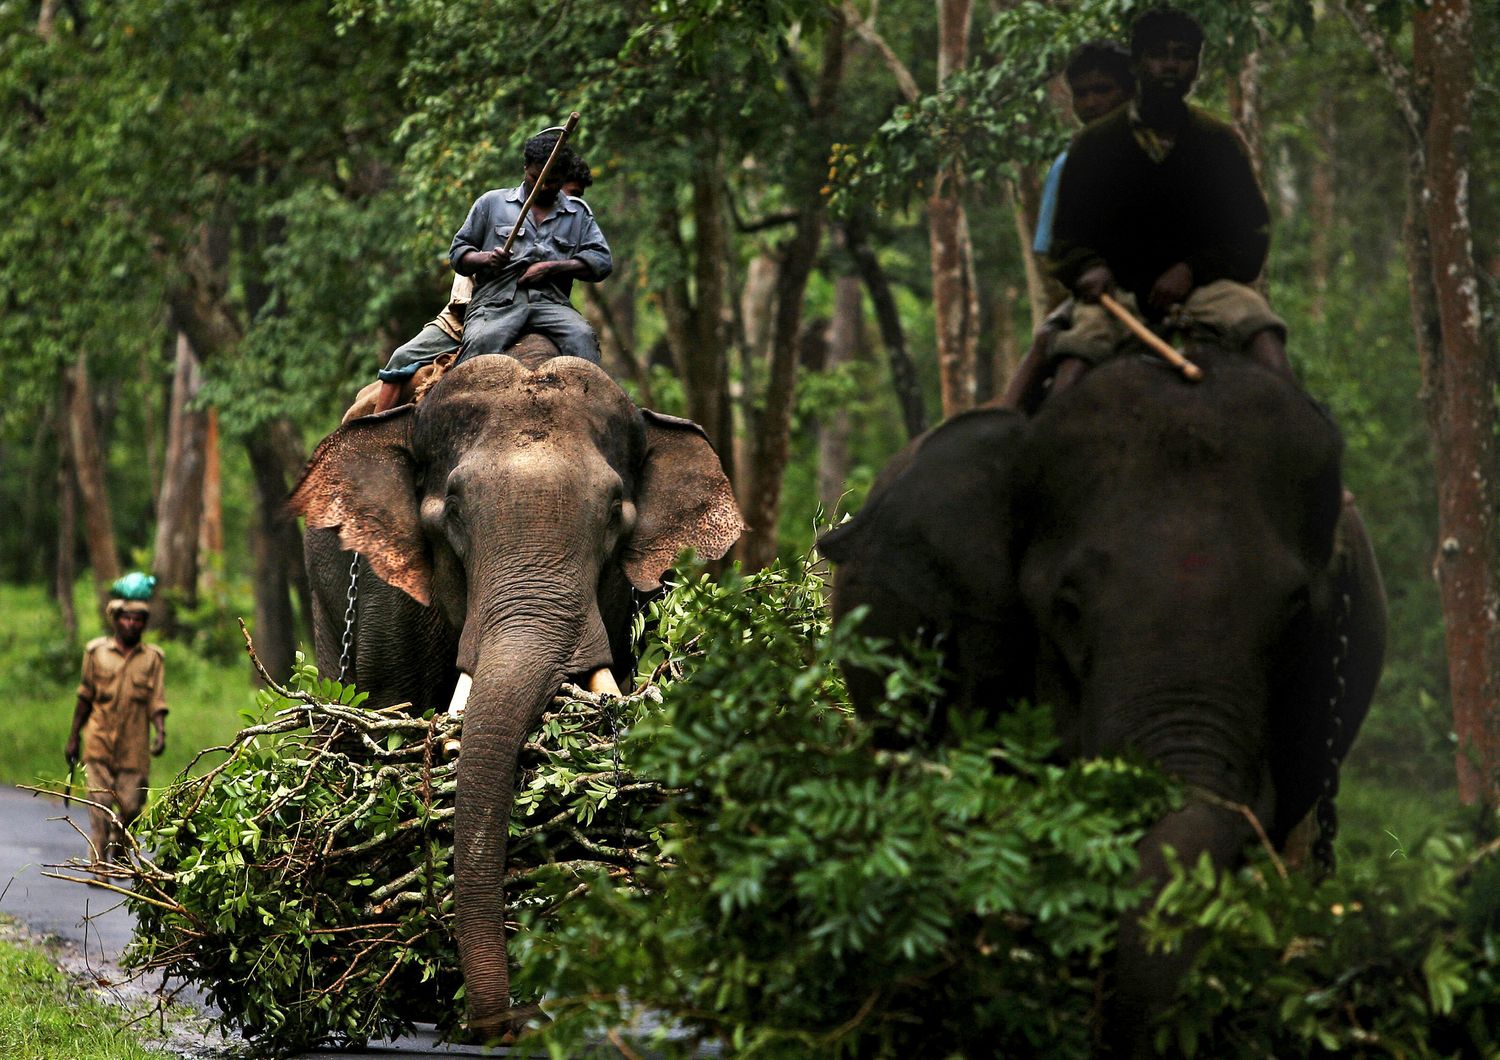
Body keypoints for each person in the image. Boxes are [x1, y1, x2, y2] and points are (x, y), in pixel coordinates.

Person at [1043, 6, 1289, 396]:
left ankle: (1296, 441)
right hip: (1118, 297)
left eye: (1183, 55)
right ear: (1139, 64)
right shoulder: (1093, 145)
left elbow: (1251, 234)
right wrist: (1089, 267)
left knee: (1262, 331)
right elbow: (1066, 240)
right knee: (1074, 362)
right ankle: (1041, 448)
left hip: (1204, 292)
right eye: (1159, 55)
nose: (1171, 65)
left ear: (1196, 66)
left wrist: (1192, 270)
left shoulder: (1219, 142)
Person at [368, 138, 608, 415]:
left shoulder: (578, 214)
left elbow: (602, 262)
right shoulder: (491, 203)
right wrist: (486, 258)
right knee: (482, 341)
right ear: (525, 168)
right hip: (493, 303)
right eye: (536, 177)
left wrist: (552, 268)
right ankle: (446, 415)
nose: (543, 186)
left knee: (583, 336)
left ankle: (597, 415)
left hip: (551, 303)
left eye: (552, 182)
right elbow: (459, 254)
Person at [1002, 40, 1135, 411]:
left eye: (1102, 90)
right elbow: (1052, 251)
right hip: (1105, 299)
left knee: (1254, 326)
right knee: (1062, 347)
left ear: (1130, 92)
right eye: (1081, 94)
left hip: (1179, 287)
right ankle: (1007, 435)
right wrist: (1085, 274)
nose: (1091, 103)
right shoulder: (1067, 167)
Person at [65, 578, 167, 880]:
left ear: (144, 624)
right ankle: (98, 865)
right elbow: (84, 697)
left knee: (131, 805)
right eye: (126, 618)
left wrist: (160, 732)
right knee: (99, 804)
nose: (131, 624)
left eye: (137, 619)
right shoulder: (96, 652)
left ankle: (119, 855)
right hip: (98, 742)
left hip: (134, 747)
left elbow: (156, 700)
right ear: (116, 620)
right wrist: (73, 736)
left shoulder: (152, 658)